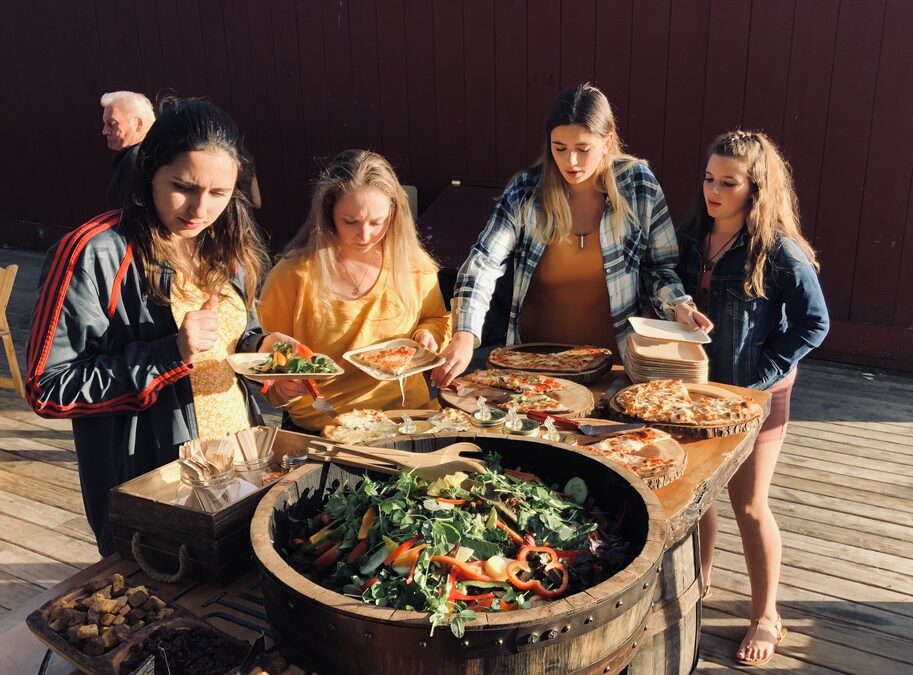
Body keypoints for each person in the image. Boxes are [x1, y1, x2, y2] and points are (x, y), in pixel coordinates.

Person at [27, 98, 296, 554]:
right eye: (183, 187)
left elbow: (232, 336)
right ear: (149, 170)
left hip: (241, 464)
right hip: (157, 485)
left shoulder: (228, 243)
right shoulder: (93, 253)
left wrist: (265, 347)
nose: (200, 209)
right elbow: (46, 388)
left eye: (219, 193)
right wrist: (169, 353)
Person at [432, 83, 710, 387]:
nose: (570, 162)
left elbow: (660, 268)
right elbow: (484, 262)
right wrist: (464, 334)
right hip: (530, 364)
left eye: (582, 149)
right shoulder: (526, 191)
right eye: (559, 148)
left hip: (614, 366)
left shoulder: (639, 186)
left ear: (607, 141)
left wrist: (679, 305)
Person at [677, 130, 829, 666]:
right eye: (708, 179)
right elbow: (670, 288)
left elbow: (815, 324)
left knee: (748, 503)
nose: (713, 191)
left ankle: (767, 615)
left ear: (756, 187)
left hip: (755, 399)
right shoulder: (694, 235)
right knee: (701, 496)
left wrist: (760, 376)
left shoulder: (779, 252)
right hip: (696, 394)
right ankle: (703, 581)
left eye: (728, 183)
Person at [258, 149, 450, 432]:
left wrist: (428, 336)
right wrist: (283, 387)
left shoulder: (412, 265)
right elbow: (266, 364)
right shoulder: (292, 275)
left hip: (408, 419)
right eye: (351, 222)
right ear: (328, 214)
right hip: (326, 425)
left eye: (377, 222)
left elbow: (438, 320)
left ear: (395, 215)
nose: (365, 235)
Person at [100, 90, 156, 209]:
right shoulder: (153, 152)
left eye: (112, 123)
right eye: (105, 124)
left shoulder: (138, 159)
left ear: (138, 124)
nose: (104, 131)